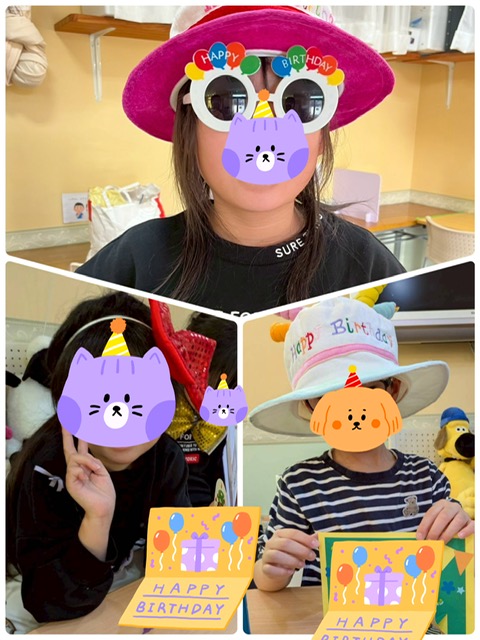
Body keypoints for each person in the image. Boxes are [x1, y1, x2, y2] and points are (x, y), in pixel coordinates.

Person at [76, 5, 405, 314]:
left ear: (322, 138)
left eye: (299, 101)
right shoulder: (137, 260)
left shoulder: (364, 265)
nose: (265, 132)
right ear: (189, 135)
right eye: (226, 101)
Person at [248, 296, 474, 592]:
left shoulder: (427, 477)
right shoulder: (300, 484)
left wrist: (460, 523)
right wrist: (272, 567)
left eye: (368, 391)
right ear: (311, 408)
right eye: (331, 400)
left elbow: (458, 557)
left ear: (393, 391)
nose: (354, 415)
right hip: (330, 614)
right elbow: (266, 578)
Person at [5, 292, 190, 633]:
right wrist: (98, 518)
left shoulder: (165, 457)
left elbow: (176, 561)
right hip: (49, 594)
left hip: (120, 587)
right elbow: (49, 603)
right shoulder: (46, 467)